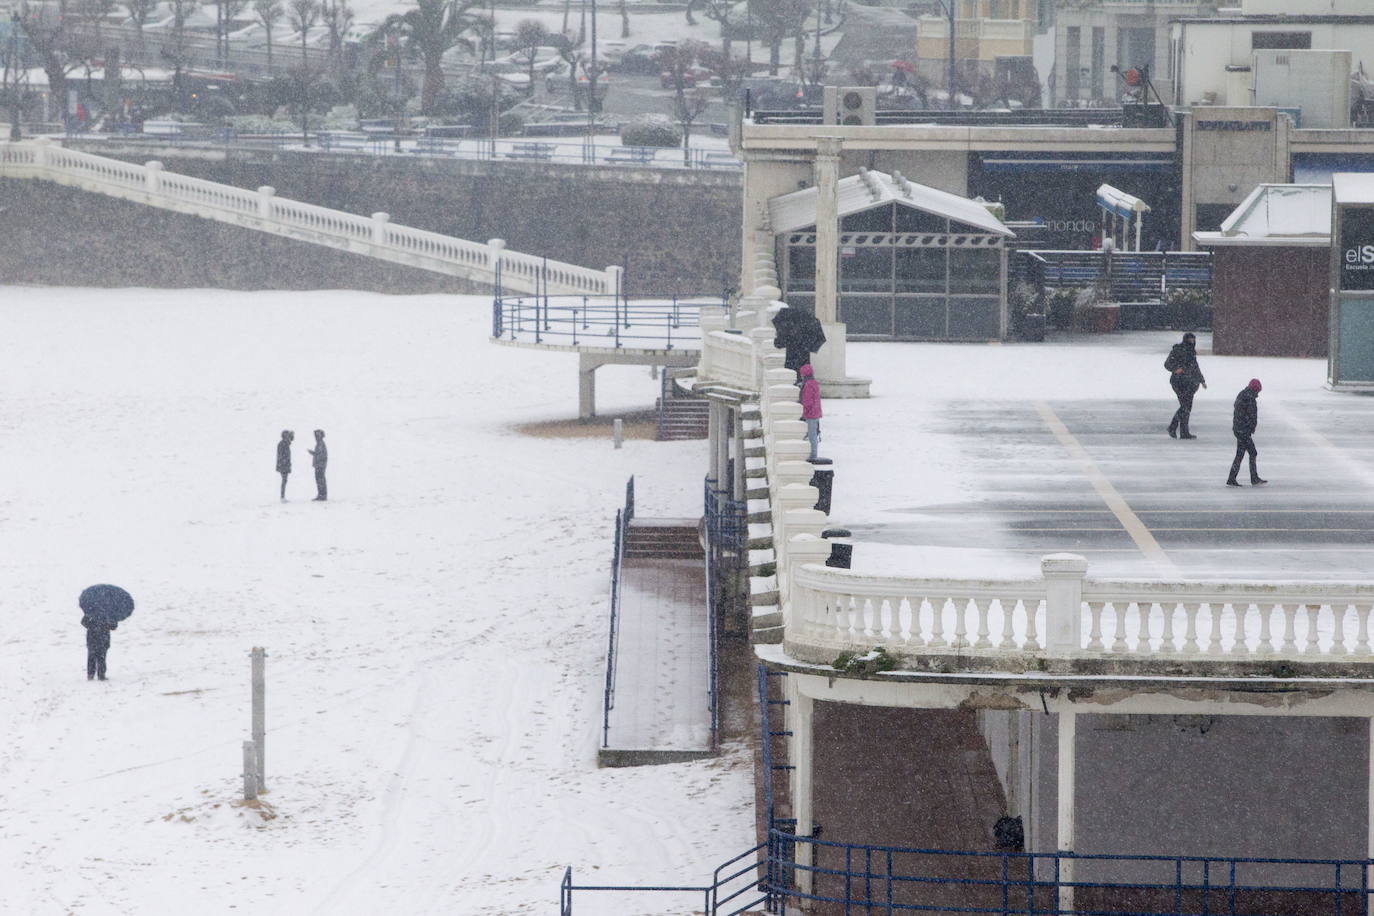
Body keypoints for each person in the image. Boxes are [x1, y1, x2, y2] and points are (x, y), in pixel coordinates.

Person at [1164, 332, 1207, 439]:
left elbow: (1195, 367)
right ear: (1185, 340)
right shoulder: (1178, 349)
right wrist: (1176, 369)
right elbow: (1167, 364)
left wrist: (1202, 380)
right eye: (1190, 340)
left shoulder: (1192, 352)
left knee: (1187, 407)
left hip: (1190, 383)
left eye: (1193, 340)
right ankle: (1172, 427)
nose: (1192, 342)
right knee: (1185, 407)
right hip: (1179, 382)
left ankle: (1184, 432)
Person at [1227, 378, 1267, 487]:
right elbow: (1250, 415)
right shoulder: (1249, 398)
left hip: (1239, 429)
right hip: (1243, 431)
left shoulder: (1243, 395)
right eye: (1258, 391)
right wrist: (1249, 427)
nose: (1258, 393)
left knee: (1240, 454)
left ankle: (1232, 478)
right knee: (1252, 453)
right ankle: (1253, 478)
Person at [772, 305, 827, 376]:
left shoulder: (788, 330)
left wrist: (780, 337)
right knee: (801, 378)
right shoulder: (807, 332)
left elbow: (778, 344)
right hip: (804, 361)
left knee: (791, 378)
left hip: (791, 361)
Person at [799, 363, 823, 461]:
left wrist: (803, 410)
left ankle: (813, 455)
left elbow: (807, 401)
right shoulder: (813, 383)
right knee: (813, 435)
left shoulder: (808, 385)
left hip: (810, 413)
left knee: (812, 435)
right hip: (815, 412)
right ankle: (812, 453)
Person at [82, 614, 116, 681]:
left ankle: (91, 675)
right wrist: (106, 624)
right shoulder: (108, 612)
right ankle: (101, 675)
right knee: (101, 657)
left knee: (92, 657)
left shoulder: (91, 612)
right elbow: (114, 626)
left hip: (93, 638)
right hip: (103, 638)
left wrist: (92, 625)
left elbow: (84, 622)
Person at [308, 429, 327, 501]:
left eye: (317, 435)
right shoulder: (320, 443)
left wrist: (313, 453)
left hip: (320, 465)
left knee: (320, 480)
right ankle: (321, 495)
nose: (316, 437)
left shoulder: (321, 443)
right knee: (319, 480)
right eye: (315, 435)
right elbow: (319, 454)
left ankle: (322, 495)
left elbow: (320, 455)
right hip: (319, 465)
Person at [276, 430, 294, 501]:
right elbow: (281, 455)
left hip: (284, 464)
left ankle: (282, 496)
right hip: (283, 465)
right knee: (284, 481)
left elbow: (290, 441)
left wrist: (291, 436)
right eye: (287, 436)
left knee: (284, 481)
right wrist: (284, 462)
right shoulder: (282, 443)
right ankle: (282, 496)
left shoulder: (284, 443)